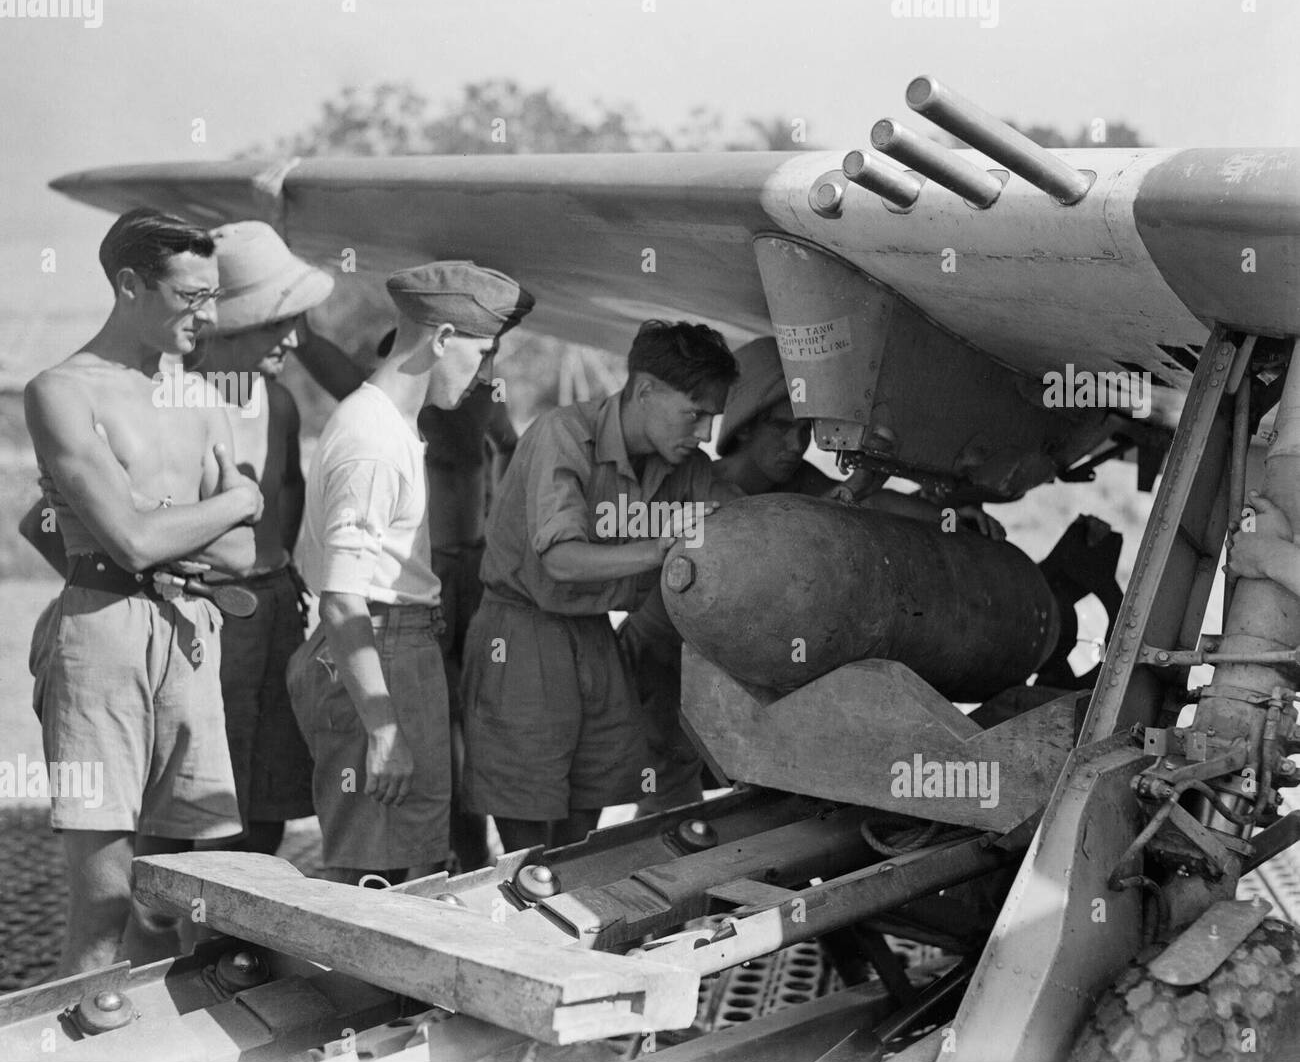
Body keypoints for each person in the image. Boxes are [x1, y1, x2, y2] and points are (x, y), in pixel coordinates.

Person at [619, 336, 1005, 812]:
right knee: (668, 795)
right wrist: (851, 489)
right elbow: (779, 548)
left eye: (805, 432)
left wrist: (949, 519)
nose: (794, 445)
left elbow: (868, 506)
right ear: (744, 425)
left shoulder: (798, 484)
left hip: (733, 671)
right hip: (661, 665)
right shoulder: (703, 485)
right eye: (781, 428)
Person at [24, 207, 262, 975]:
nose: (210, 315)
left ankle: (175, 1040)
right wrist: (236, 499)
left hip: (191, 635)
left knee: (192, 883)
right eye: (191, 297)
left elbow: (242, 554)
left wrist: (174, 526)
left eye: (213, 296)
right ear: (130, 285)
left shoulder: (202, 399)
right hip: (101, 636)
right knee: (105, 888)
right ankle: (81, 1061)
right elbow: (130, 540)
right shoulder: (61, 390)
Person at [288, 260, 534, 885]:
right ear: (443, 338)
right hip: (382, 649)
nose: (485, 375)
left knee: (408, 868)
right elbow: (342, 601)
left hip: (401, 644)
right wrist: (385, 728)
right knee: (376, 878)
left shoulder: (392, 426)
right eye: (480, 353)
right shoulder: (372, 439)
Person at [460, 319, 739, 853]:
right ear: (645, 389)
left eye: (713, 418)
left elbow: (730, 520)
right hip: (520, 636)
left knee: (582, 828)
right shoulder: (563, 435)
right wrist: (659, 546)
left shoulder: (686, 466)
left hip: (594, 635)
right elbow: (561, 561)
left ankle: (563, 929)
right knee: (526, 835)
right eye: (695, 414)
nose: (704, 433)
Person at [186, 220, 335, 855]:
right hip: (209, 617)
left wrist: (282, 566)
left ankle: (247, 939)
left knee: (272, 788)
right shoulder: (174, 404)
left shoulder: (279, 403)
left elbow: (291, 488)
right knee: (201, 799)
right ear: (234, 322)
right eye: (280, 322)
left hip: (274, 606)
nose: (295, 338)